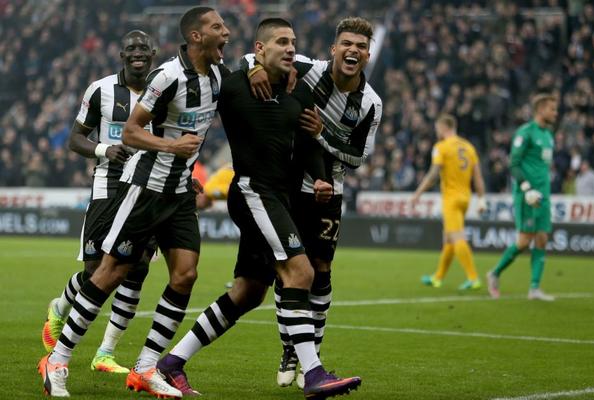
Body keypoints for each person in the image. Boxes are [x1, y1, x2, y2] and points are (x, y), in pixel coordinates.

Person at [156, 18, 362, 399]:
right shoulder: (235, 84)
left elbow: (309, 143)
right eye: (281, 41)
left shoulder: (300, 91)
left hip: (280, 196)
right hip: (254, 191)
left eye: (293, 41)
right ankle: (313, 373)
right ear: (260, 49)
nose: (290, 48)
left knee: (249, 292)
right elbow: (201, 107)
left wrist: (320, 178)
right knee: (300, 272)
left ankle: (172, 362)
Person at [38, 7, 230, 398]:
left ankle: (144, 367)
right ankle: (56, 360)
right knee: (108, 271)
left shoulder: (217, 76)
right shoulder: (167, 77)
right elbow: (131, 132)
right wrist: (171, 147)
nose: (225, 32)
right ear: (196, 36)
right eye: (217, 27)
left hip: (179, 193)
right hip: (144, 188)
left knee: (185, 275)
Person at [245, 16, 382, 388]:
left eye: (361, 46)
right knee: (288, 270)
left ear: (367, 55)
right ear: (334, 49)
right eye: (347, 44)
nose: (353, 50)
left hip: (328, 191)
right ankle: (290, 350)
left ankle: (312, 359)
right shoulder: (306, 69)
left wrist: (323, 133)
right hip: (288, 186)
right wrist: (256, 69)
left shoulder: (370, 104)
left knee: (321, 270)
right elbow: (252, 56)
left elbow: (357, 157)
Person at [41, 30, 156, 374]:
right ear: (122, 55)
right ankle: (59, 308)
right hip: (109, 185)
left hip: (148, 188)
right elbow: (75, 139)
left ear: (153, 53)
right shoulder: (100, 89)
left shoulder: (162, 89)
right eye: (131, 48)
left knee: (137, 268)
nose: (138, 53)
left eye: (143, 48)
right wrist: (105, 149)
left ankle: (105, 353)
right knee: (96, 271)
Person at [487, 94, 558, 301]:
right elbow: (514, 163)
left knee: (542, 238)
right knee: (525, 241)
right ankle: (495, 273)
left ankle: (534, 288)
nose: (555, 113)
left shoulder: (548, 135)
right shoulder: (525, 133)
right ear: (540, 110)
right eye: (552, 109)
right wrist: (527, 188)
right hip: (527, 195)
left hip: (543, 194)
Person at [411, 114, 487, 290]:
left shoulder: (441, 147)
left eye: (437, 128)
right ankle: (437, 278)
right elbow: (478, 177)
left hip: (451, 199)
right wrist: (481, 199)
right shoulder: (468, 147)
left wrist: (417, 194)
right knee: (449, 240)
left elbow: (433, 174)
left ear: (443, 127)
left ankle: (473, 277)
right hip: (466, 198)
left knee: (457, 237)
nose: (436, 132)